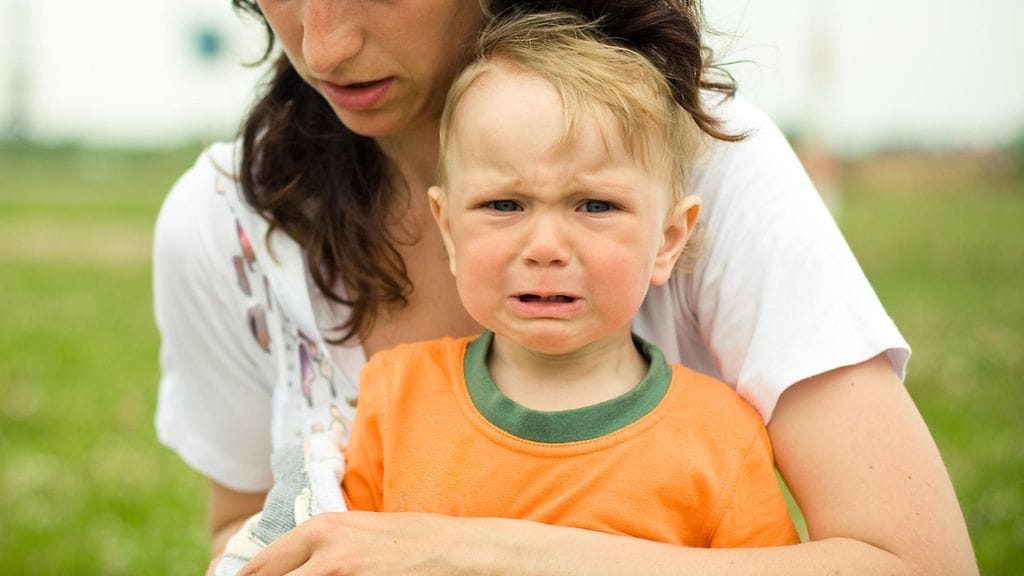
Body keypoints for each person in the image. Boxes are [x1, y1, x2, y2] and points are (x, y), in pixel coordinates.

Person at [152, 0, 978, 574]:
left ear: (671, 233)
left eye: (594, 207)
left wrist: (469, 555)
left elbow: (919, 565)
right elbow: (245, 530)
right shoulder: (226, 224)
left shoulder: (704, 157)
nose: (323, 46)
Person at [339, 10, 800, 549]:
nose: (545, 248)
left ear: (668, 239)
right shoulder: (395, 397)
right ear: (448, 229)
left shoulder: (721, 435)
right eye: (504, 204)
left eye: (596, 205)